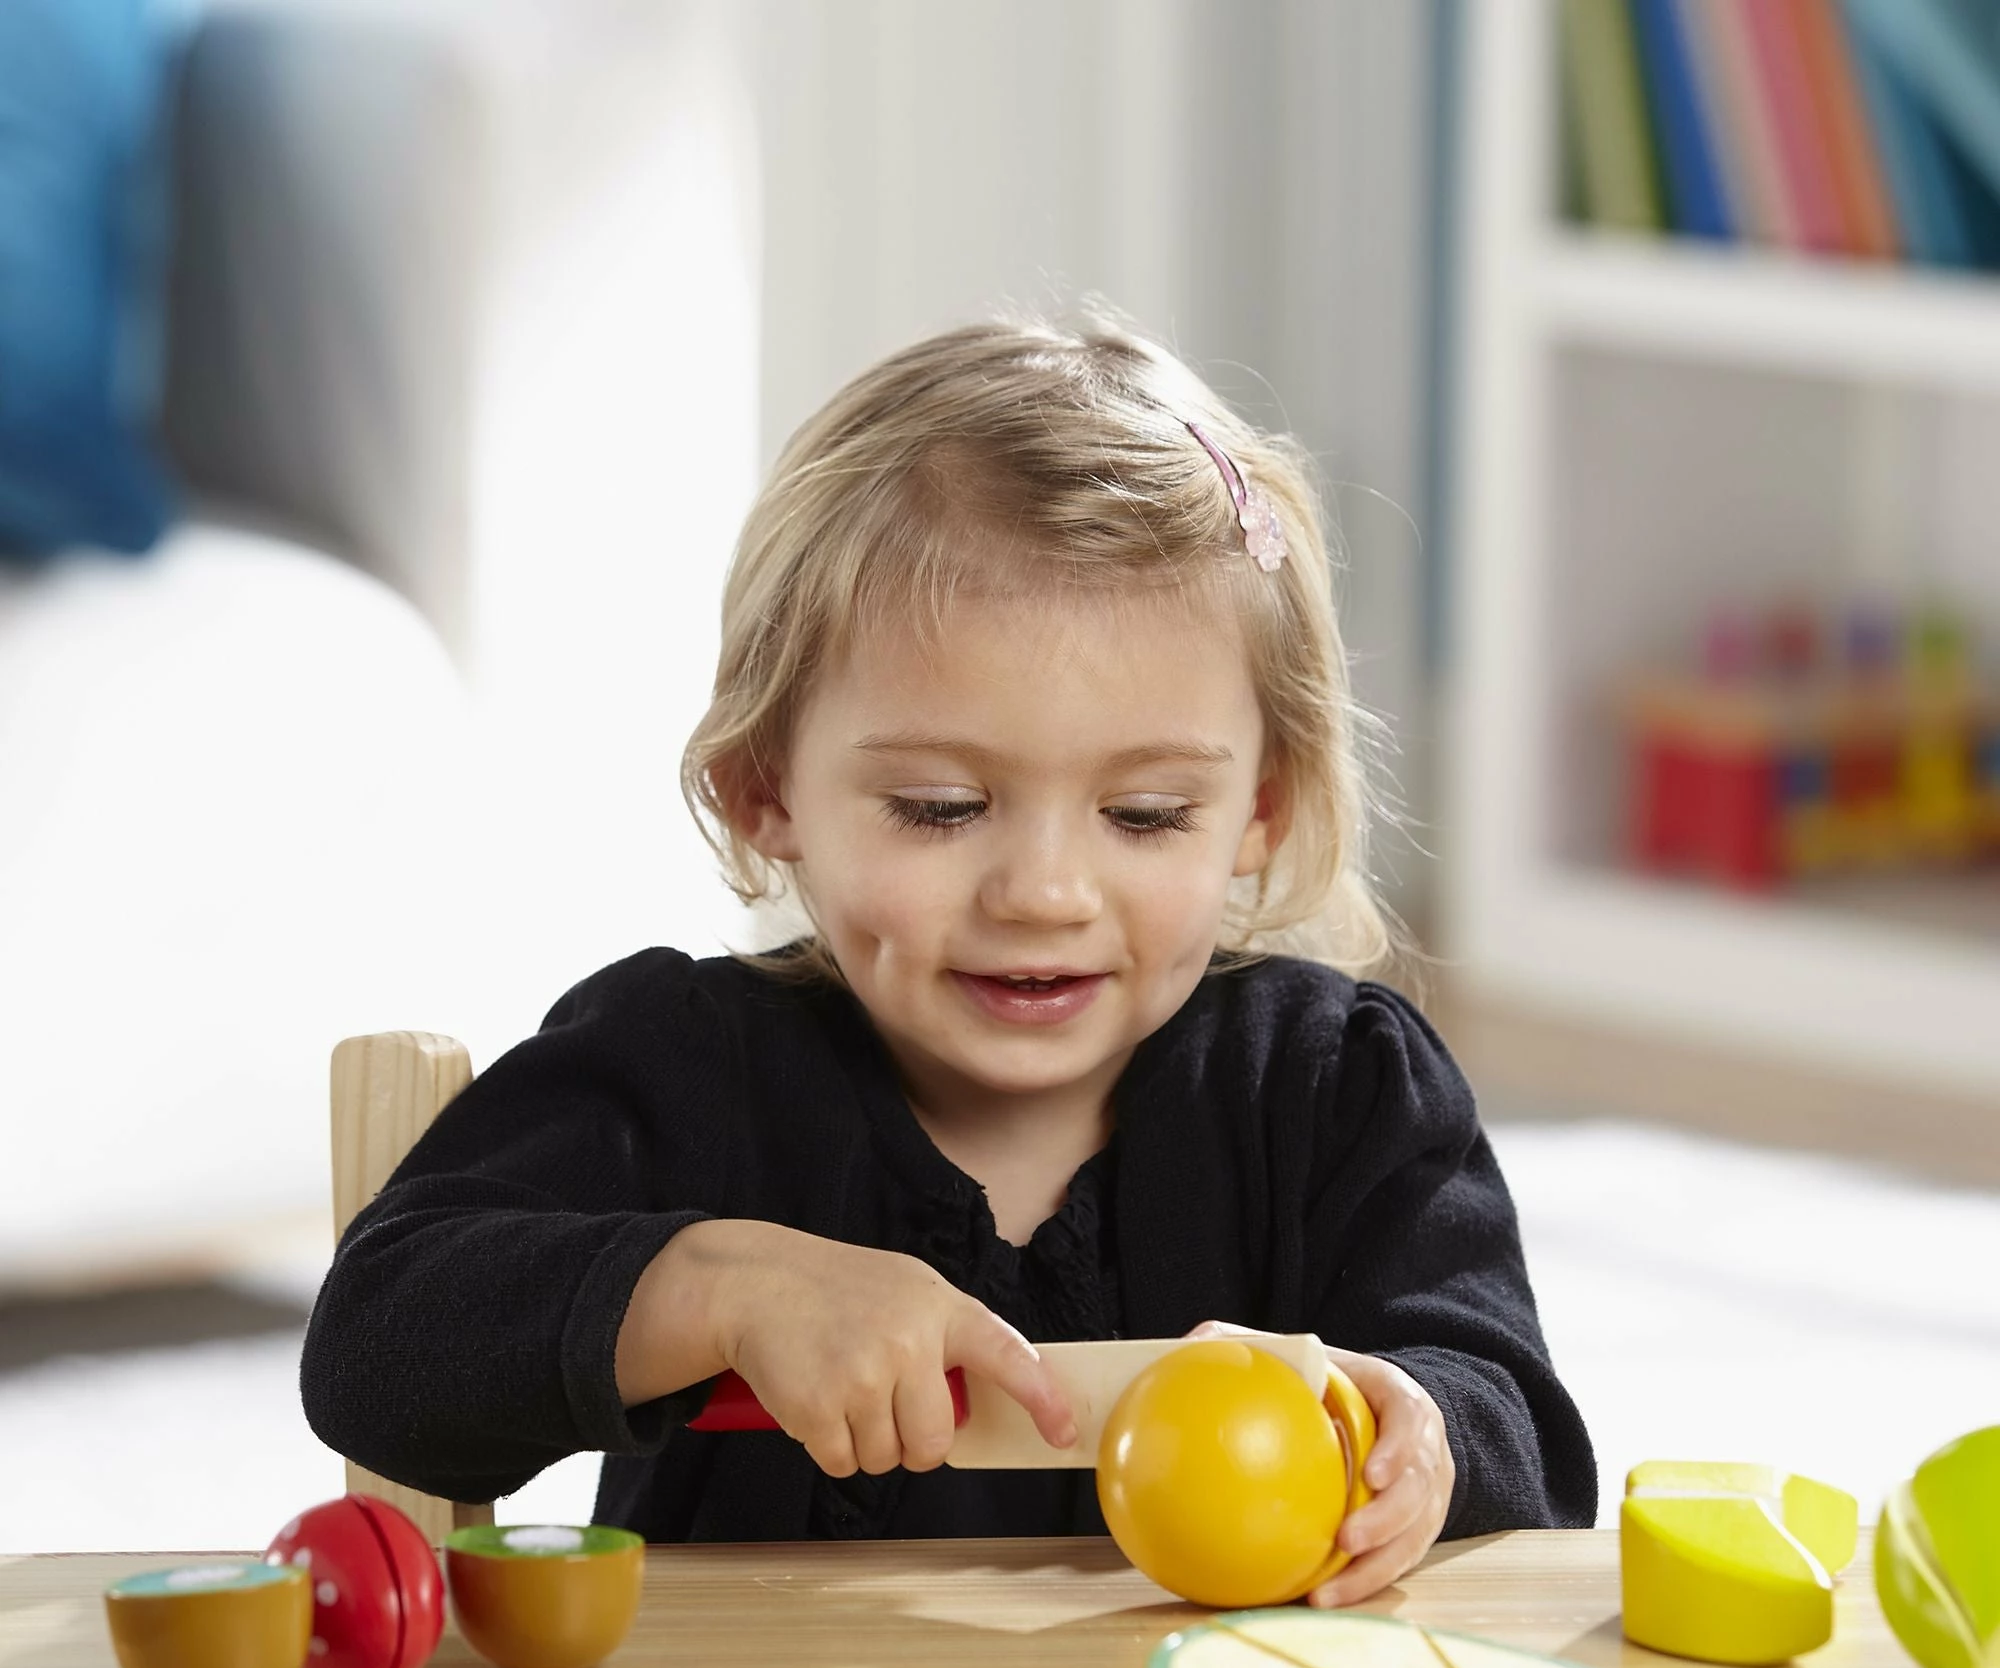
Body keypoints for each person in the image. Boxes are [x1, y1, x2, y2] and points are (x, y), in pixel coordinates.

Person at [302, 312, 1596, 1603]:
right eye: (938, 806)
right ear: (766, 789)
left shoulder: (1336, 1089)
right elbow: (378, 1352)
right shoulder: (680, 1069)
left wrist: (1405, 1425)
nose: (1043, 893)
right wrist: (716, 1286)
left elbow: (1525, 1445)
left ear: (1263, 807)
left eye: (1145, 815)